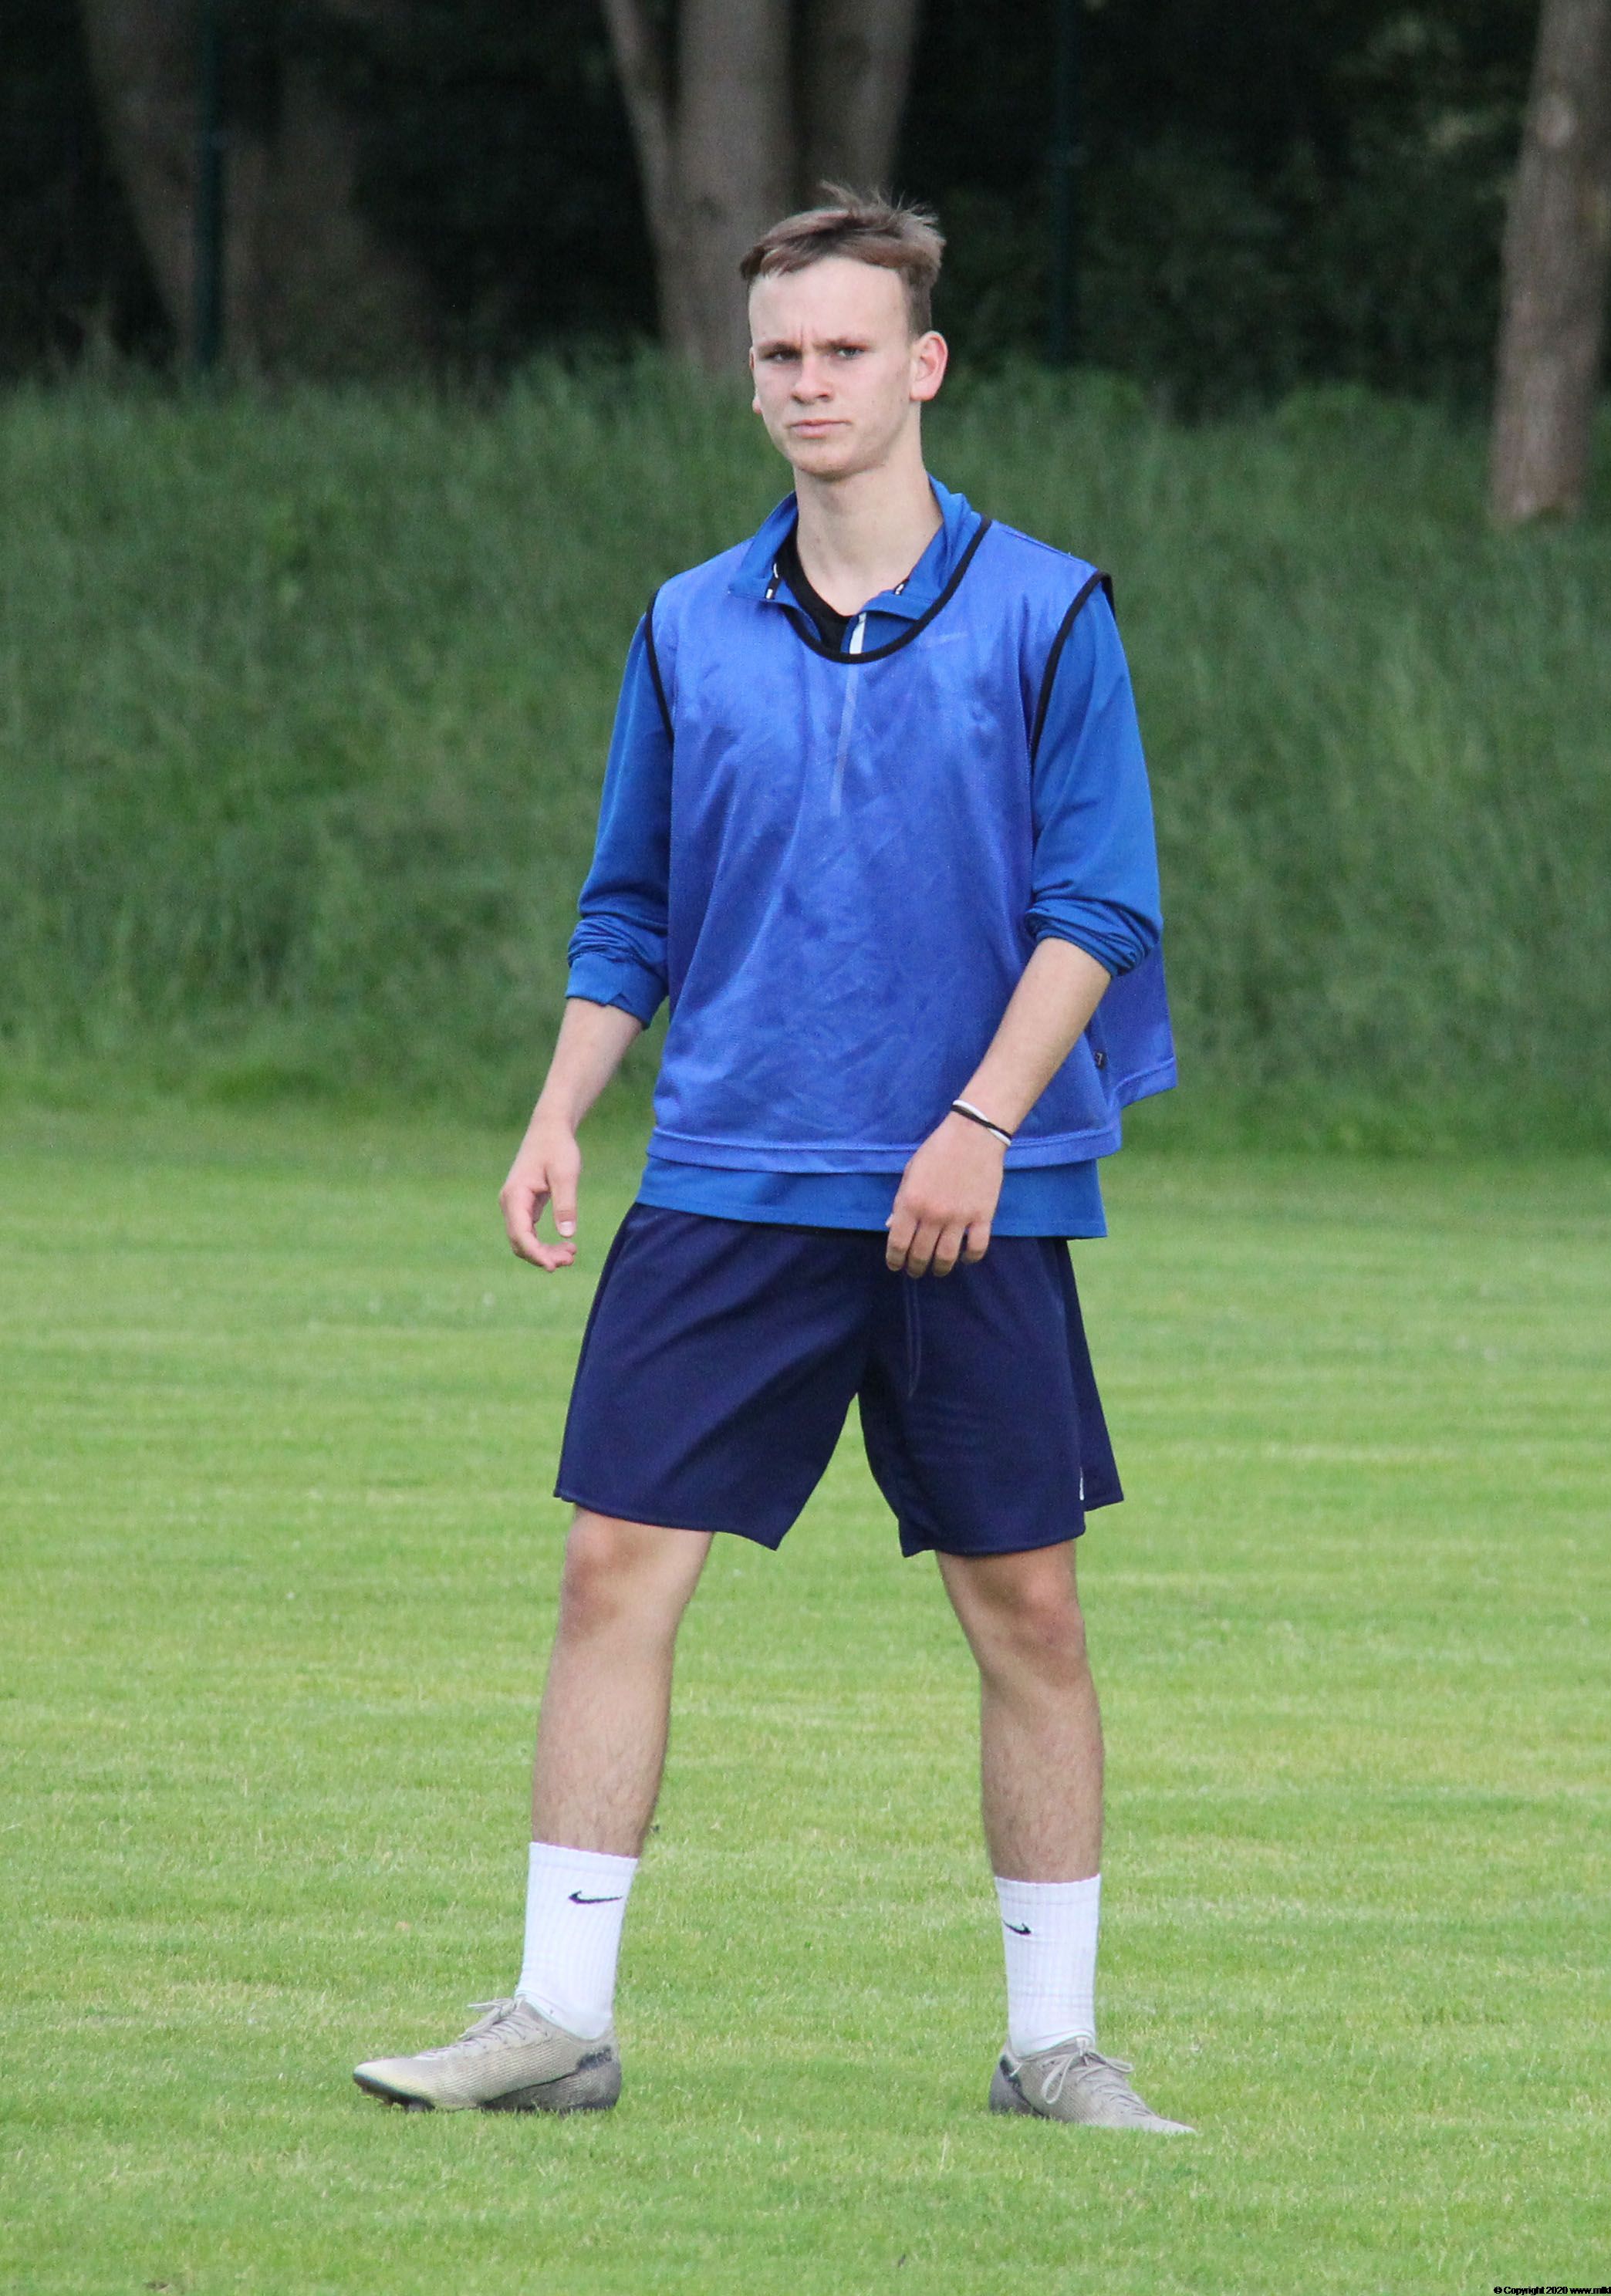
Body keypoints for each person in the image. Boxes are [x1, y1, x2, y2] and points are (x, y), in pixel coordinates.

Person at [353, 190, 1189, 2132]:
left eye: (844, 350)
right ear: (751, 380)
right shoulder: (682, 624)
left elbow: (1097, 908)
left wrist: (977, 1125)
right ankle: (556, 2023)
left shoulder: (1048, 611)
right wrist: (560, 1108)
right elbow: (630, 908)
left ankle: (1053, 2048)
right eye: (780, 356)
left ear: (923, 366)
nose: (810, 383)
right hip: (727, 1173)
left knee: (1028, 1613)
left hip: (971, 1194)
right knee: (610, 1569)